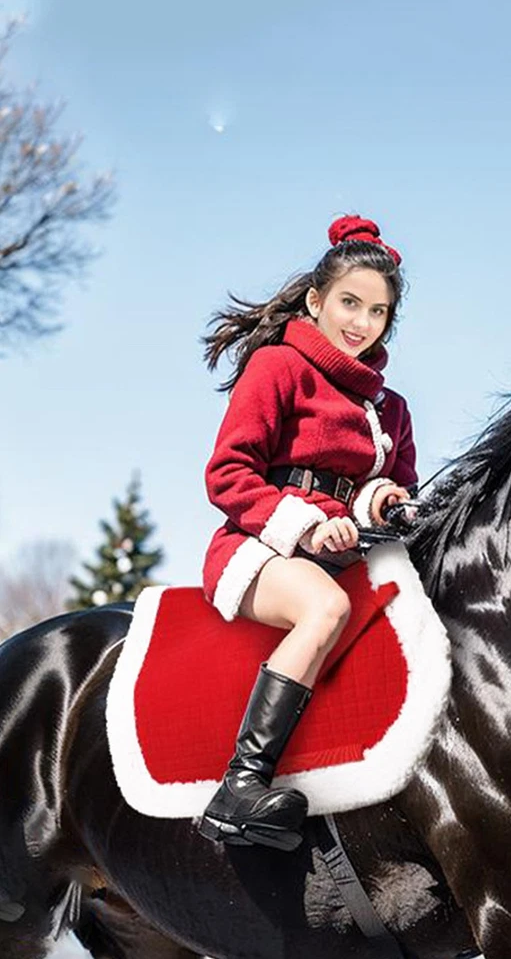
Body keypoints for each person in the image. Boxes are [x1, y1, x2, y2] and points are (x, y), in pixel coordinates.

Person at [197, 215, 417, 851]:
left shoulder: (392, 408)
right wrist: (309, 523)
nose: (362, 322)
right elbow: (227, 474)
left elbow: (397, 484)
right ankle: (240, 785)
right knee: (326, 609)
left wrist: (384, 501)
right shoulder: (277, 368)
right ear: (316, 301)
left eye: (378, 311)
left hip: (350, 551)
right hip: (259, 544)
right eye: (350, 303)